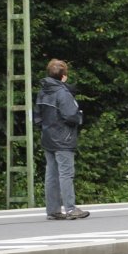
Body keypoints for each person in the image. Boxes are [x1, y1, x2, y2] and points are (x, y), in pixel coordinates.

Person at [35, 59, 90, 220]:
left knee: (51, 174)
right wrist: (80, 116)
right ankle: (71, 209)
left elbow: (37, 116)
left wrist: (46, 129)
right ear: (64, 76)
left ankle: (53, 210)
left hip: (48, 137)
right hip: (64, 138)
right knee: (66, 174)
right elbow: (71, 116)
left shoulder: (43, 92)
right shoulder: (63, 93)